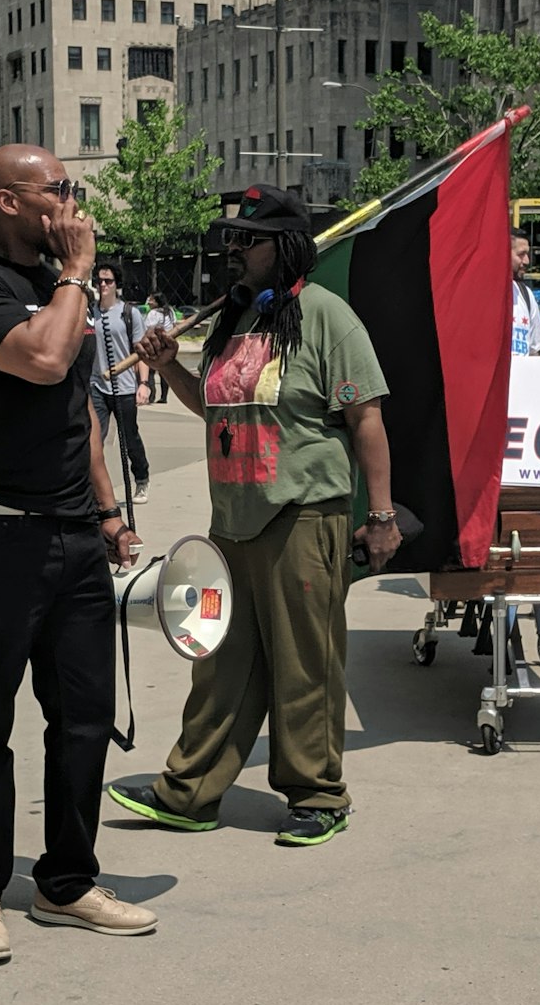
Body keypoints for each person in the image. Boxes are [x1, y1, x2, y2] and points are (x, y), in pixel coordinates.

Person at [109, 183, 401, 846]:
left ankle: (318, 794)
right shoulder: (235, 319)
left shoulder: (328, 318)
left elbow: (368, 421)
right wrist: (170, 368)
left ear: (287, 246)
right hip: (232, 521)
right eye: (232, 239)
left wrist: (379, 513)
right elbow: (218, 410)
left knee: (305, 660)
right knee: (221, 660)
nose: (234, 250)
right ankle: (191, 789)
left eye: (250, 240)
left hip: (302, 515)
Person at [0, 143, 157, 963]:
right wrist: (78, 273)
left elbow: (80, 412)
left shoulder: (59, 287)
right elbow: (44, 357)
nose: (72, 201)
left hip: (72, 537)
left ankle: (65, 882)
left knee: (85, 717)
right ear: (8, 203)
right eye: (57, 189)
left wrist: (107, 513)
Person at [90, 263, 151, 504]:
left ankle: (142, 478)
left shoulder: (129, 313)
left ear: (117, 284)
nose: (103, 285)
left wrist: (143, 383)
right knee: (94, 437)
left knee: (129, 437)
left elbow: (141, 352)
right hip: (96, 385)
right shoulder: (90, 312)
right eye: (99, 281)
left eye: (108, 281)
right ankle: (93, 489)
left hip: (124, 387)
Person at [510, 229, 540, 356]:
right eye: (521, 254)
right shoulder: (478, 296)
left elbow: (534, 350)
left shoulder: (526, 295)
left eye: (527, 254)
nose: (527, 261)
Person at [143, 292, 176, 403]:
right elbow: (174, 325)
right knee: (164, 371)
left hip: (155, 342)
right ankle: (164, 396)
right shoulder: (170, 311)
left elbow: (149, 329)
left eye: (151, 300)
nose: (149, 302)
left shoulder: (153, 313)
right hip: (168, 342)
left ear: (157, 302)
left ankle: (152, 395)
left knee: (151, 370)